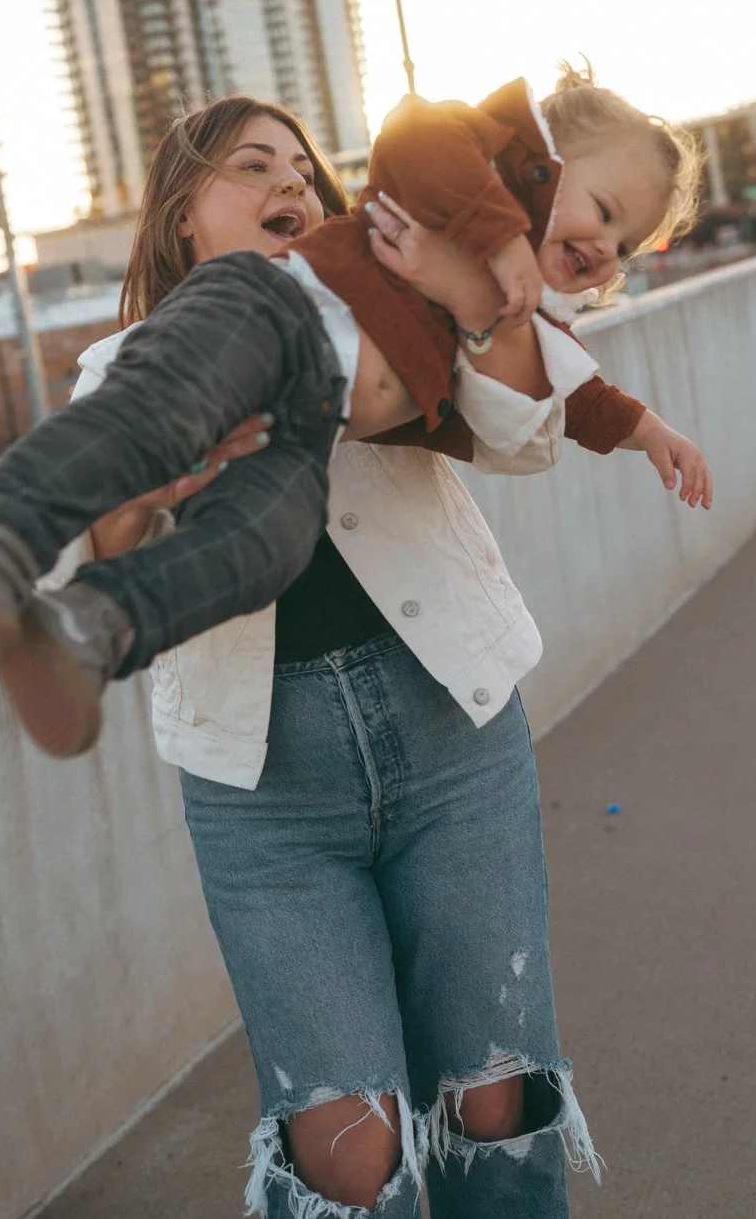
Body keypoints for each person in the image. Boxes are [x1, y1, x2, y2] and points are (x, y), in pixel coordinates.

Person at [48, 92, 629, 1218]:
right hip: (266, 797)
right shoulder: (125, 365)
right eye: (253, 167)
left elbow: (524, 438)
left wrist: (483, 291)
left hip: (451, 738)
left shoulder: (392, 299)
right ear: (183, 218)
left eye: (304, 170)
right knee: (348, 1155)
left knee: (492, 1099)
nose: (292, 186)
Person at [0, 70, 709, 761]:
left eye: (627, 244)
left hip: (305, 425)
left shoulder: (515, 320)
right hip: (271, 317)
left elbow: (561, 412)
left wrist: (645, 430)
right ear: (542, 158)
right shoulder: (460, 174)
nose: (607, 246)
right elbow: (419, 134)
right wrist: (494, 240)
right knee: (155, 412)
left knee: (268, 541)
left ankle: (88, 630)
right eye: (602, 209)